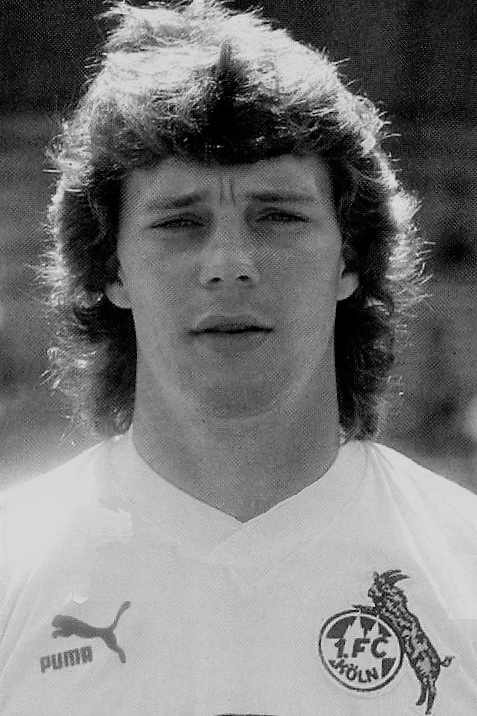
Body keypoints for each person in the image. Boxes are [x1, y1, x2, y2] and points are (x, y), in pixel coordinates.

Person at [0, 1, 476, 714]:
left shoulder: (462, 568)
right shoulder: (12, 568)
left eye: (277, 216)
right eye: (179, 222)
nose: (228, 263)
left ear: (349, 259)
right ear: (111, 270)